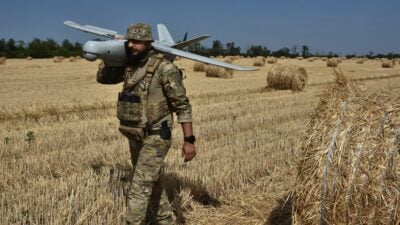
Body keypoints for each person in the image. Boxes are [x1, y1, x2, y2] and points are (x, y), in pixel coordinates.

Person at [96, 22, 196, 225]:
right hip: (136, 133)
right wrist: (109, 56)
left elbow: (183, 106)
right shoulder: (130, 65)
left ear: (149, 43)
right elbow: (103, 79)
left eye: (136, 42)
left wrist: (189, 140)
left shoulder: (165, 69)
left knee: (139, 187)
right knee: (153, 183)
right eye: (129, 40)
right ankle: (165, 220)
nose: (131, 45)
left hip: (158, 135)